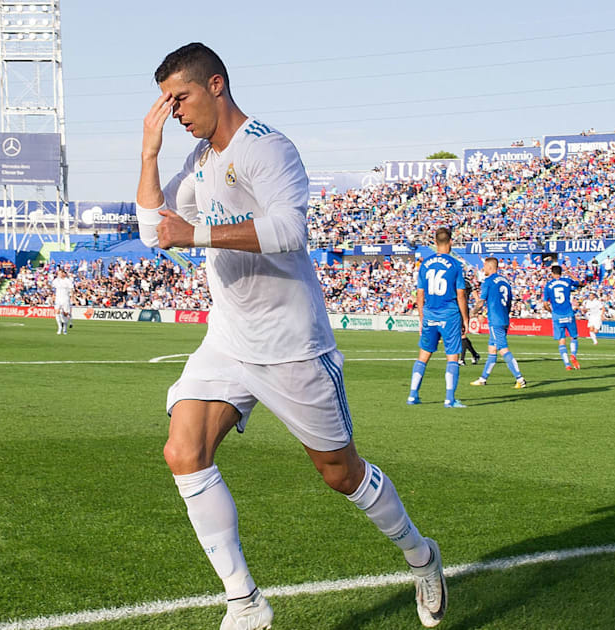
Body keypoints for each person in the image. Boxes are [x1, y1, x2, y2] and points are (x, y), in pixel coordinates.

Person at [135, 42, 446, 629]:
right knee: (183, 451)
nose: (173, 111)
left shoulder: (267, 147)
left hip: (292, 347)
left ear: (216, 85)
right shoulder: (199, 160)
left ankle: (420, 553)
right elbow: (156, 230)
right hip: (228, 340)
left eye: (180, 97)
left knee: (341, 473)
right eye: (165, 102)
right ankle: (245, 602)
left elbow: (289, 229)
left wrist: (196, 235)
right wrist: (149, 154)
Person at [408, 227, 468, 408]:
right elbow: (461, 294)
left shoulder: (425, 264)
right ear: (451, 242)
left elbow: (419, 295)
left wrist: (421, 318)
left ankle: (412, 395)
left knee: (423, 355)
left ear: (435, 243)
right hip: (449, 314)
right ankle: (449, 398)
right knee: (452, 357)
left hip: (430, 314)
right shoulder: (456, 265)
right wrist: (465, 318)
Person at [470, 257, 526, 388]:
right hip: (504, 318)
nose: (483, 269)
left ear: (490, 267)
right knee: (492, 349)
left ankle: (520, 378)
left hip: (495, 320)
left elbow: (481, 301)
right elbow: (510, 302)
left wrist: (473, 313)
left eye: (484, 267)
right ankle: (483, 378)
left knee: (503, 349)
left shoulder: (488, 281)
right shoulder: (505, 281)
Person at [544, 265, 580, 370]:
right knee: (573, 337)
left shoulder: (548, 285)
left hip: (557, 315)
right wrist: (570, 274)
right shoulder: (567, 281)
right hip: (569, 313)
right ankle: (573, 354)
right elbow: (580, 283)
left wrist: (551, 311)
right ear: (561, 272)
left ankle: (567, 364)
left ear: (552, 273)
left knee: (561, 340)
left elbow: (545, 304)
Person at [51, 268, 74, 335]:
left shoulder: (68, 281)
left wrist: (72, 297)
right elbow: (52, 288)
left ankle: (65, 328)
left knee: (65, 314)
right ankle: (60, 327)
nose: (59, 274)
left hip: (65, 298)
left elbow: (71, 289)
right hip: (58, 298)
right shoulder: (56, 280)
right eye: (58, 273)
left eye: (60, 273)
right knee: (57, 312)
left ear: (64, 273)